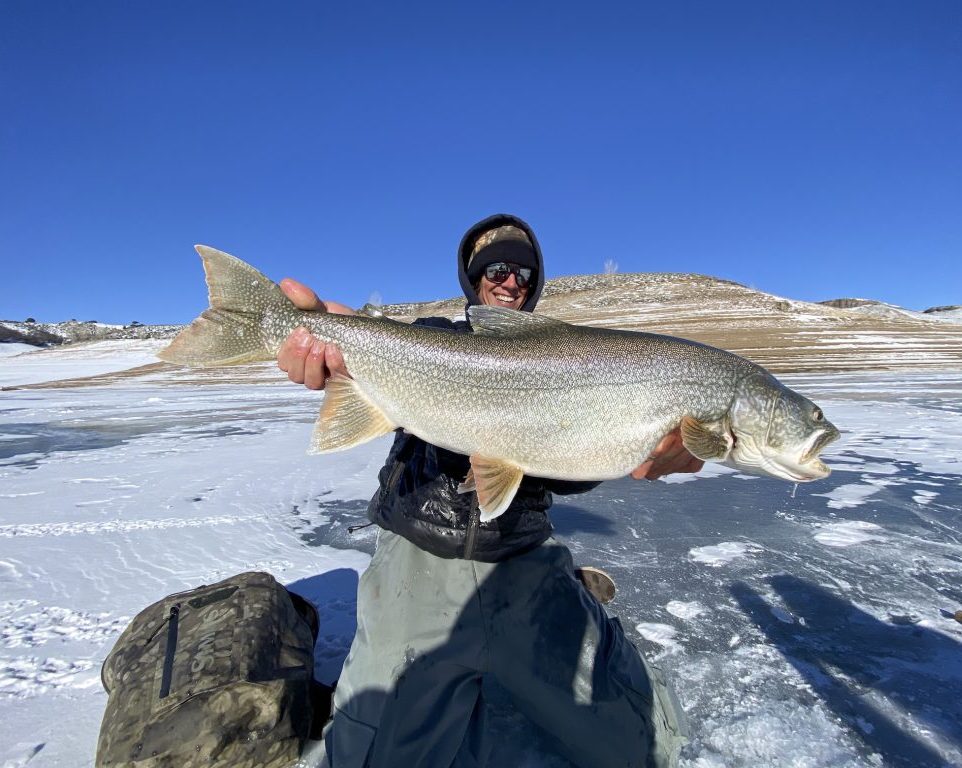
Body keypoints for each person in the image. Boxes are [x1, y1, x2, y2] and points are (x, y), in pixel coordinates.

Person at [277, 214, 703, 767]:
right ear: (474, 278)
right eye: (497, 269)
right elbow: (365, 341)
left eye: (524, 273)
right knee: (371, 756)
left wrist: (638, 450)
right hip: (418, 555)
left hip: (522, 556)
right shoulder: (433, 343)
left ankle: (569, 597)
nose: (511, 282)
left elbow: (569, 467)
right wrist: (331, 335)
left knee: (643, 744)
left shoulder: (564, 360)